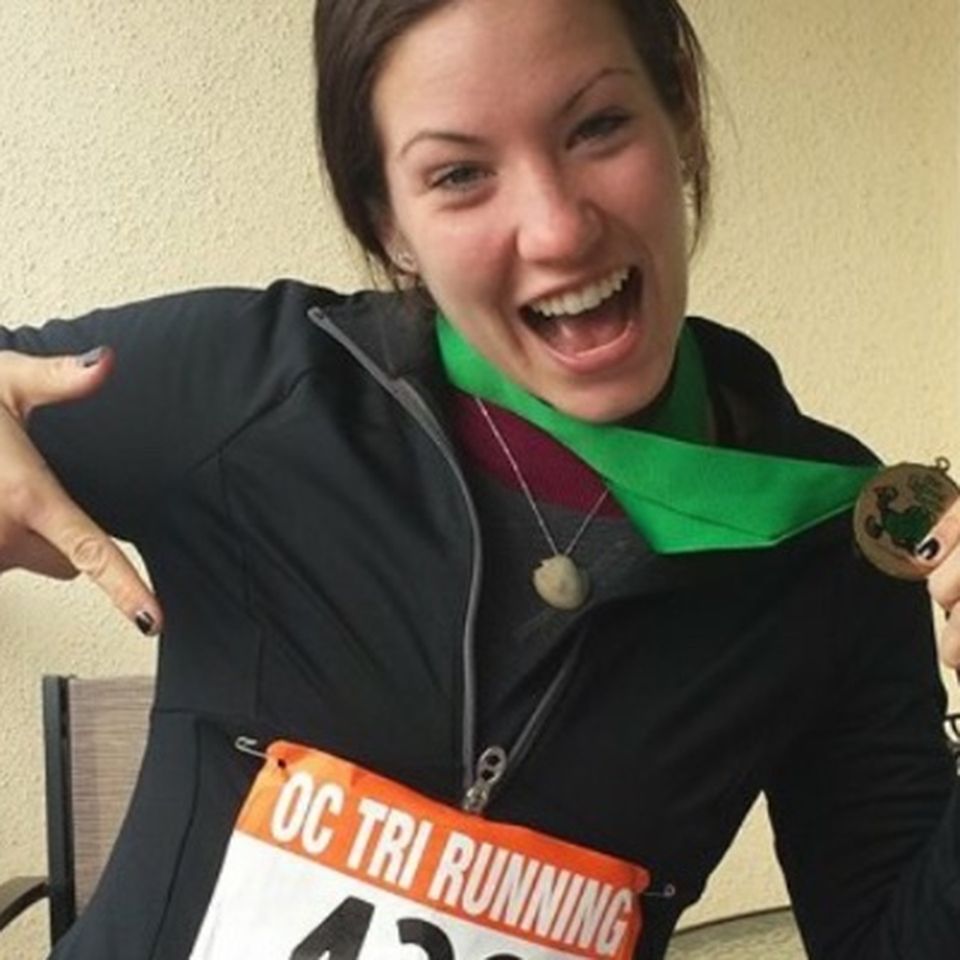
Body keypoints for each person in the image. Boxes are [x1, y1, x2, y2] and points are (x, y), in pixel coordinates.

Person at [1, 0, 958, 957]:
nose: (556, 230)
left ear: (680, 117)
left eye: (598, 126)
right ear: (389, 222)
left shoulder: (835, 536)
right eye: (459, 174)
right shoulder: (256, 392)